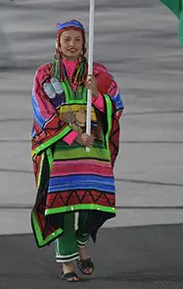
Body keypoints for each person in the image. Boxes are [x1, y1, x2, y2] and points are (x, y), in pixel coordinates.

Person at [31, 20, 123, 282]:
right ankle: (68, 264)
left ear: (85, 44)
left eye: (77, 40)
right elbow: (42, 111)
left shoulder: (99, 73)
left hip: (92, 150)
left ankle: (83, 238)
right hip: (60, 150)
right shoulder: (45, 74)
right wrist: (72, 135)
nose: (72, 45)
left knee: (94, 204)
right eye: (67, 39)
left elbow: (116, 106)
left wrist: (96, 95)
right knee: (64, 206)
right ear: (57, 43)